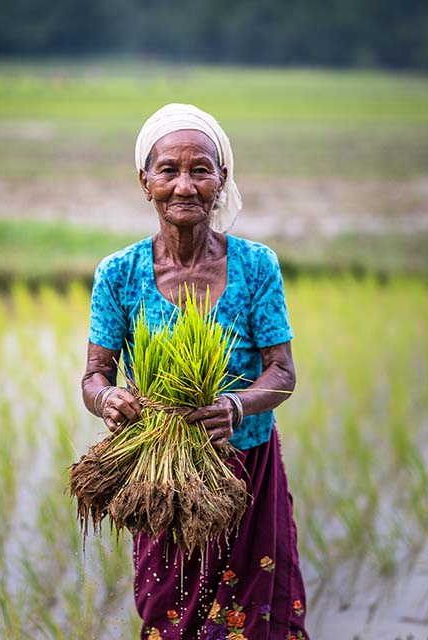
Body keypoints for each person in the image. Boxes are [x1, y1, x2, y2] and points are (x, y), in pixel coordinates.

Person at [81, 103, 309, 640]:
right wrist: (108, 399)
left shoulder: (256, 267)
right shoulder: (119, 274)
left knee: (257, 621)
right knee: (170, 619)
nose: (184, 185)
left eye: (200, 170)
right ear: (146, 181)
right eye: (169, 171)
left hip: (246, 472)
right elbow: (94, 375)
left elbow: (282, 371)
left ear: (221, 179)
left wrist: (236, 405)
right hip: (163, 479)